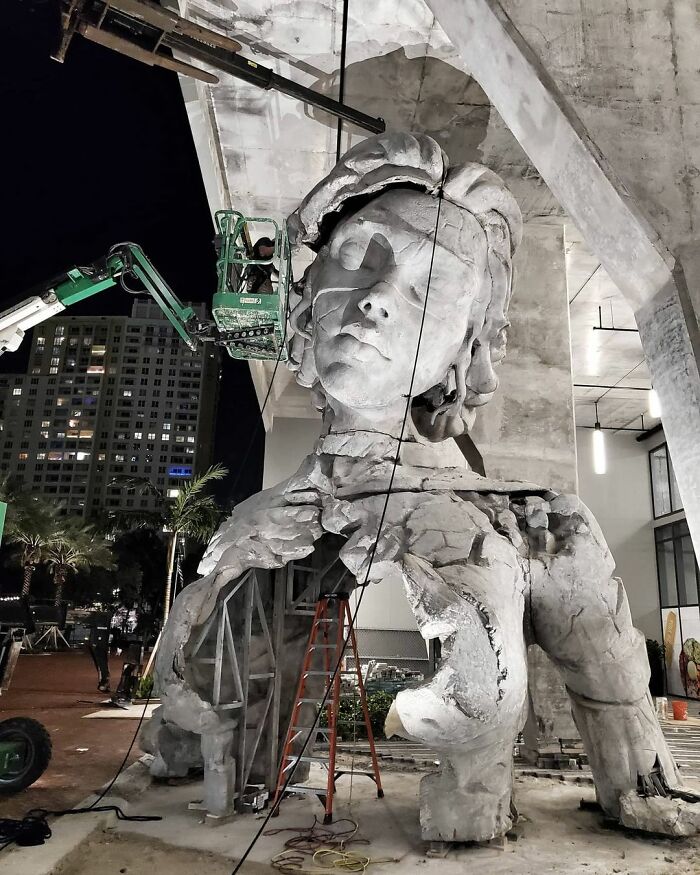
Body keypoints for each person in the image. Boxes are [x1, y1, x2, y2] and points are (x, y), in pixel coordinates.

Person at [147, 133, 696, 838]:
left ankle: (497, 799)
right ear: (307, 301)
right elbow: (193, 679)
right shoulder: (252, 529)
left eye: (428, 286)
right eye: (358, 255)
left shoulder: (547, 526)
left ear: (461, 356)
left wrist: (636, 777)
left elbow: (538, 687)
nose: (376, 298)